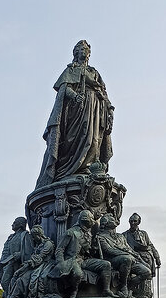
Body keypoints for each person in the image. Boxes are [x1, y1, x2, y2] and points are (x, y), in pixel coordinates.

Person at [36, 40, 114, 188]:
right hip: (77, 109)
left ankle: (88, 167)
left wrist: (109, 108)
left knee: (94, 138)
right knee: (79, 136)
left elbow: (103, 92)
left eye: (88, 51)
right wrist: (75, 96)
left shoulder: (94, 72)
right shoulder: (71, 70)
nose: (86, 53)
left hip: (95, 109)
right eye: (83, 49)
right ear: (76, 52)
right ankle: (69, 168)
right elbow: (64, 89)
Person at [50, 210, 112, 298]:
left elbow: (89, 251)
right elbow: (60, 249)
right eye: (91, 219)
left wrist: (95, 247)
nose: (93, 221)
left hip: (84, 260)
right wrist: (61, 263)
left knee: (106, 264)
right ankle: (74, 291)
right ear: (84, 220)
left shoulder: (88, 234)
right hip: (72, 260)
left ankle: (106, 290)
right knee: (78, 274)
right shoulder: (70, 232)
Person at [97, 214, 152, 298]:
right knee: (127, 259)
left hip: (128, 260)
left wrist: (142, 261)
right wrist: (126, 254)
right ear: (106, 223)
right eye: (112, 219)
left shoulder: (120, 236)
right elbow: (109, 250)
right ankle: (123, 287)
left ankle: (130, 287)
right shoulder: (101, 237)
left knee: (147, 272)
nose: (114, 220)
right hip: (113, 261)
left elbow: (129, 249)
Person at [123, 212, 160, 298]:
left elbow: (150, 245)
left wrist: (157, 257)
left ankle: (144, 295)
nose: (132, 223)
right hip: (134, 258)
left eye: (135, 221)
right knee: (143, 272)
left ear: (139, 222)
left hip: (147, 258)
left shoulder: (144, 234)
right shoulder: (125, 235)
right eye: (131, 221)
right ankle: (132, 289)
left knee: (147, 276)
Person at [0, 217, 34, 296]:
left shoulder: (25, 235)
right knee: (5, 282)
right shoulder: (11, 237)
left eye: (14, 223)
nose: (12, 225)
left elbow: (30, 251)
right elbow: (5, 251)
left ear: (20, 224)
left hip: (19, 264)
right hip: (9, 262)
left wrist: (20, 254)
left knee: (9, 282)